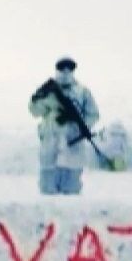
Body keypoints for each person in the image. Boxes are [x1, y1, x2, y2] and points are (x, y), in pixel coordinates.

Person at [29, 56, 100, 194]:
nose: (66, 71)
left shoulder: (82, 91)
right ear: (57, 70)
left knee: (72, 190)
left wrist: (82, 127)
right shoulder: (48, 91)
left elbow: (93, 114)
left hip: (72, 143)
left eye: (70, 68)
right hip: (50, 142)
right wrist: (46, 101)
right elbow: (34, 111)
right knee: (47, 189)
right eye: (62, 68)